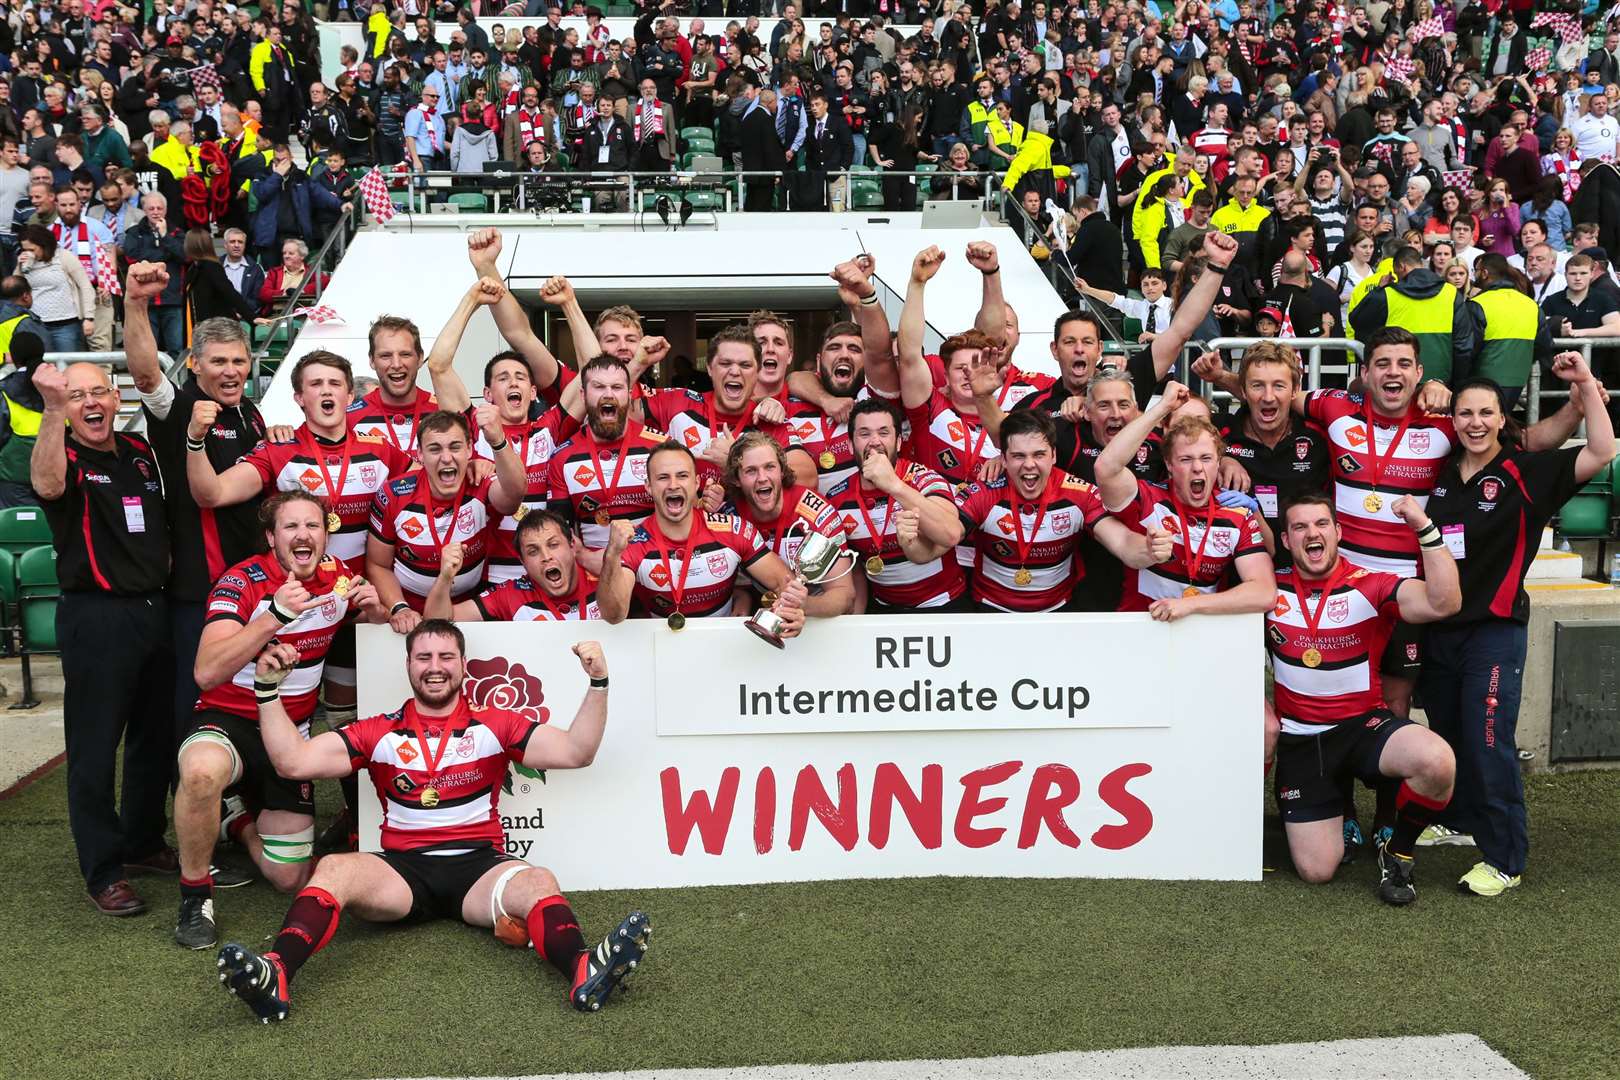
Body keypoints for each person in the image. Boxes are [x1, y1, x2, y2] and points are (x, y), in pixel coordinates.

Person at [216, 623, 651, 1021]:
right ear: (408, 665)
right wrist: (267, 691)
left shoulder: (495, 724)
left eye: (445, 657)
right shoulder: (378, 731)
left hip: (478, 869)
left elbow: (577, 752)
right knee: (334, 868)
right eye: (423, 658)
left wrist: (598, 683)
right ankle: (275, 971)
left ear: (463, 664)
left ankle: (582, 967)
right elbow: (293, 762)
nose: (435, 668)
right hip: (402, 871)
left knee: (538, 880)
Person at [1420, 358, 1614, 896]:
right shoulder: (1440, 472)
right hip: (1440, 630)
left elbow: (1601, 450)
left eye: (1486, 413)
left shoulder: (1528, 472)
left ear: (1503, 418)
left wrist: (1582, 389)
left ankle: (1505, 858)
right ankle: (1459, 821)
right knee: (1451, 732)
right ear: (1453, 420)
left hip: (1495, 631)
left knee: (1488, 742)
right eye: (1465, 413)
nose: (1474, 422)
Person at [174, 491, 386, 949]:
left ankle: (237, 819)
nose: (303, 535)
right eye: (290, 527)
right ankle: (194, 895)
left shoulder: (338, 578)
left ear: (326, 535)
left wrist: (375, 611)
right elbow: (206, 671)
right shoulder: (242, 580)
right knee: (200, 772)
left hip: (290, 733)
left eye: (313, 525)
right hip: (228, 717)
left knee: (288, 878)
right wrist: (272, 618)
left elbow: (374, 619)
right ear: (272, 537)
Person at [31, 359, 175, 916]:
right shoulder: (61, 453)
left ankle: (141, 843)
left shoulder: (139, 455)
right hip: (96, 616)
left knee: (153, 739)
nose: (90, 404)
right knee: (94, 750)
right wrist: (48, 410)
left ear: (116, 399)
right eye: (76, 397)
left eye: (98, 393)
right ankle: (104, 869)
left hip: (152, 611)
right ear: (65, 408)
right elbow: (45, 485)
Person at [1267, 492, 1461, 904]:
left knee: (1437, 761)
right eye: (1299, 527)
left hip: (1362, 726)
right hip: (1302, 738)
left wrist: (1424, 528)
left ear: (1337, 532)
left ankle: (1399, 851)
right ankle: (1321, 816)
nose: (1311, 534)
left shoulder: (1370, 583)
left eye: (1321, 524)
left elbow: (1445, 602)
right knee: (1317, 871)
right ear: (1286, 540)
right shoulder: (1268, 589)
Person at [954, 408, 1171, 612]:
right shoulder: (984, 491)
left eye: (1039, 454)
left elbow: (1123, 543)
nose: (1029, 465)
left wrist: (1149, 549)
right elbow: (947, 533)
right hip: (991, 611)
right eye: (1019, 456)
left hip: (1058, 615)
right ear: (1003, 459)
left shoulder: (1079, 493)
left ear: (1054, 455)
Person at [1094, 383, 1277, 617]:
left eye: (1206, 458)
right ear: (1169, 465)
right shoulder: (1149, 499)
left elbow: (1264, 592)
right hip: (1141, 630)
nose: (1198, 468)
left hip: (1200, 634)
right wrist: (1162, 407)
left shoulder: (1237, 514)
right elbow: (1106, 467)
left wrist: (1189, 605)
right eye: (1186, 459)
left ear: (1219, 462)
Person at [598, 440, 807, 631]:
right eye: (663, 478)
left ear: (696, 483)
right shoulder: (634, 542)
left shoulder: (733, 530)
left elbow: (784, 583)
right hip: (662, 654)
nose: (673, 485)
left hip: (724, 649)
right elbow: (613, 615)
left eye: (682, 475)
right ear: (649, 487)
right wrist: (612, 555)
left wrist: (791, 612)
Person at [366, 409, 526, 622]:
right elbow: (378, 564)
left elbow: (514, 496)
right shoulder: (393, 494)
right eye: (434, 449)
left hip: (467, 609)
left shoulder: (479, 481)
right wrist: (399, 608)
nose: (446, 458)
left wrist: (497, 441)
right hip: (409, 613)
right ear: (420, 454)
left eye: (455, 447)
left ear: (469, 449)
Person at [826, 396, 967, 614]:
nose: (874, 441)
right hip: (883, 609)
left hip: (943, 604)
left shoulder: (925, 479)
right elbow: (851, 570)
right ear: (850, 444)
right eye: (864, 434)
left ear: (899, 442)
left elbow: (951, 534)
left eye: (884, 433)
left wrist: (894, 485)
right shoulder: (837, 498)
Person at [726, 431, 855, 618]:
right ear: (736, 479)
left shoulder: (816, 512)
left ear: (782, 470)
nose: (762, 478)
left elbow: (845, 595)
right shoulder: (730, 516)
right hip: (765, 613)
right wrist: (741, 598)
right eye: (751, 471)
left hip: (816, 616)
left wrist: (806, 605)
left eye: (769, 467)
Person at [545, 355, 664, 551]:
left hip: (654, 567)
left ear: (629, 394)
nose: (608, 395)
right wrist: (586, 558)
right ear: (583, 395)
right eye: (599, 387)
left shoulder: (661, 447)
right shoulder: (562, 458)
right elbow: (561, 534)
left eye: (616, 388)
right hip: (594, 573)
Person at [427, 511, 601, 622]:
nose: (546, 557)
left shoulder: (604, 578)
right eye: (533, 552)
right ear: (523, 562)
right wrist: (445, 577)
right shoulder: (512, 593)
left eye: (553, 545)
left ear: (572, 546)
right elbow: (437, 621)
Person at [15, 223, 93, 352]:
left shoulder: (63, 257)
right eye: (24, 250)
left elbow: (85, 286)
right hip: (37, 324)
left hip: (66, 324)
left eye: (32, 250)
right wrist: (19, 266)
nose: (28, 253)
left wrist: (89, 317)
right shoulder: (24, 263)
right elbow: (15, 288)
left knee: (69, 366)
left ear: (43, 245)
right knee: (44, 367)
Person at [184, 228, 257, 329]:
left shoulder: (211, 267)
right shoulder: (193, 268)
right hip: (200, 328)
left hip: (215, 328)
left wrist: (252, 317)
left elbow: (229, 292)